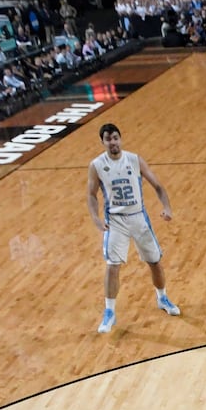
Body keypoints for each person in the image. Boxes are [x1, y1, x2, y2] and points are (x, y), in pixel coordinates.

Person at [85, 122, 176, 331]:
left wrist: (167, 206)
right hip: (115, 220)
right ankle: (109, 312)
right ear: (103, 142)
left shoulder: (134, 160)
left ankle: (162, 298)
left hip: (138, 216)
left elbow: (158, 185)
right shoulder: (97, 165)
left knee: (154, 261)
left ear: (120, 139)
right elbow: (91, 194)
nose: (113, 142)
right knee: (112, 265)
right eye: (108, 139)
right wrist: (95, 218)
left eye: (115, 137)